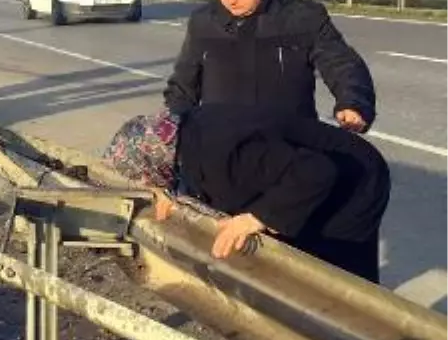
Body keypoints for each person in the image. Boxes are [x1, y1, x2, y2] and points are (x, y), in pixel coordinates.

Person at [103, 105, 390, 283]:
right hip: (312, 177)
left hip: (354, 182)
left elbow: (317, 171)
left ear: (153, 159)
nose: (149, 186)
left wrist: (257, 217)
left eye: (145, 180)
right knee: (297, 260)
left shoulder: (223, 154)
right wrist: (169, 193)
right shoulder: (182, 138)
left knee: (337, 275)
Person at [163, 0, 376, 133]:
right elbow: (183, 84)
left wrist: (353, 103)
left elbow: (341, 63)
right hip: (221, 144)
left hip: (290, 143)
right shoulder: (204, 21)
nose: (231, 0)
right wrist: (175, 126)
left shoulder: (302, 17)